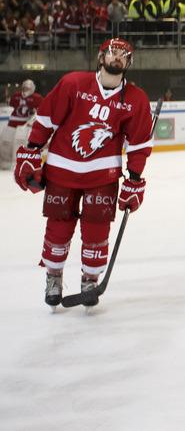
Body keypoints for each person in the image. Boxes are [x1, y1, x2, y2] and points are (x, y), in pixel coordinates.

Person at [13, 39, 153, 308]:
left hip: (103, 176)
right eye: (113, 52)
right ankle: (53, 277)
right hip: (62, 170)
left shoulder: (136, 99)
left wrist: (134, 179)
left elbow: (138, 145)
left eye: (124, 55)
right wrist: (32, 151)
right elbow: (46, 119)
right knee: (58, 228)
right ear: (101, 57)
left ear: (129, 63)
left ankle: (90, 279)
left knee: (96, 231)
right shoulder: (73, 84)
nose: (118, 58)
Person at [1, 79, 43, 169]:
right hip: (12, 123)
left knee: (19, 142)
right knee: (6, 141)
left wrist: (32, 119)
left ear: (33, 88)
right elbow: (11, 106)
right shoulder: (16, 96)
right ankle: (4, 162)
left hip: (24, 125)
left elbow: (39, 111)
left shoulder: (37, 98)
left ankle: (17, 163)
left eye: (28, 88)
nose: (26, 90)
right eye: (25, 87)